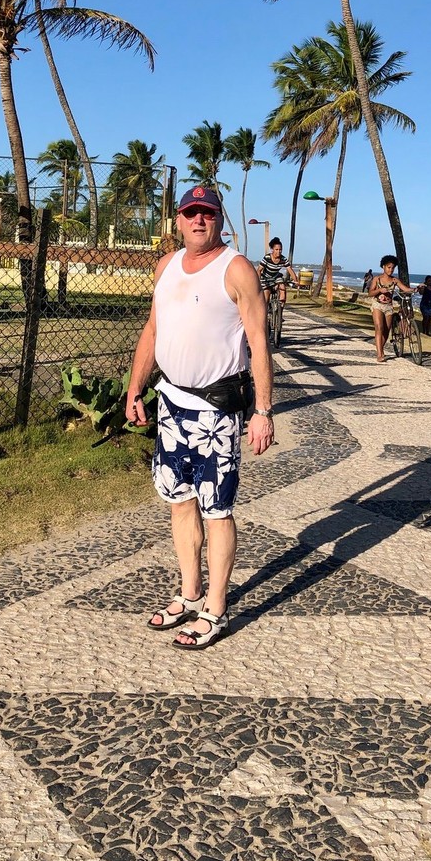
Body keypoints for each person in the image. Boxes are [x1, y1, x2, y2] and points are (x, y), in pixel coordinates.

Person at [125, 185, 274, 650]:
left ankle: (215, 608)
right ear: (178, 220)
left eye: (206, 213)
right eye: (190, 213)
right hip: (171, 404)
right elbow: (153, 329)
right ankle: (189, 594)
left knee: (218, 510)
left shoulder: (236, 269)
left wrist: (263, 411)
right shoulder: (165, 266)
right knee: (180, 500)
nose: (198, 220)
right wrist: (135, 389)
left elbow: (259, 342)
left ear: (219, 220)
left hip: (216, 409)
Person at [368, 254, 418, 362]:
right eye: (388, 267)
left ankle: (380, 347)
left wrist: (415, 289)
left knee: (386, 330)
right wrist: (379, 290)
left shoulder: (395, 280)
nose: (391, 270)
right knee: (379, 327)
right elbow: (370, 293)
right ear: (383, 267)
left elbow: (405, 289)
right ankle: (380, 354)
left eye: (393, 267)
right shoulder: (377, 279)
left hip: (388, 307)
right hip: (377, 305)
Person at [257, 236, 298, 307]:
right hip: (265, 279)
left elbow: (290, 270)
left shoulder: (283, 259)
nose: (278, 251)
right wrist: (257, 281)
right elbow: (259, 270)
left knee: (283, 288)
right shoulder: (267, 258)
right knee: (266, 295)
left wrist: (296, 281)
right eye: (276, 249)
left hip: (276, 277)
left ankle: (280, 313)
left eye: (280, 249)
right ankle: (266, 313)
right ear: (272, 249)